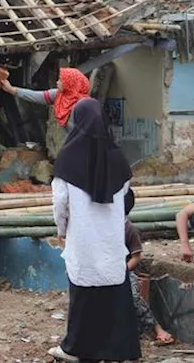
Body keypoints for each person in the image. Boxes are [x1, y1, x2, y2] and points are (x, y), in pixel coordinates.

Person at [48, 98, 140, 363]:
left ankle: (75, 349)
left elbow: (60, 203)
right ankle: (117, 351)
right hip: (111, 238)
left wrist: (62, 230)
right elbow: (124, 199)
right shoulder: (118, 158)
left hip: (83, 237)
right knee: (113, 295)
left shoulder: (67, 158)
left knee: (83, 296)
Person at [0, 67, 91, 157]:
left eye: (61, 80)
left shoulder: (84, 106)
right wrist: (12, 90)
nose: (57, 82)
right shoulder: (59, 95)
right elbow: (37, 96)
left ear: (70, 83)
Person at [124, 191, 175, 346]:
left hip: (123, 271)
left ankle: (156, 328)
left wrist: (123, 270)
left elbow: (136, 257)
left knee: (132, 296)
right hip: (100, 271)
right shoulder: (98, 226)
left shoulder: (129, 229)